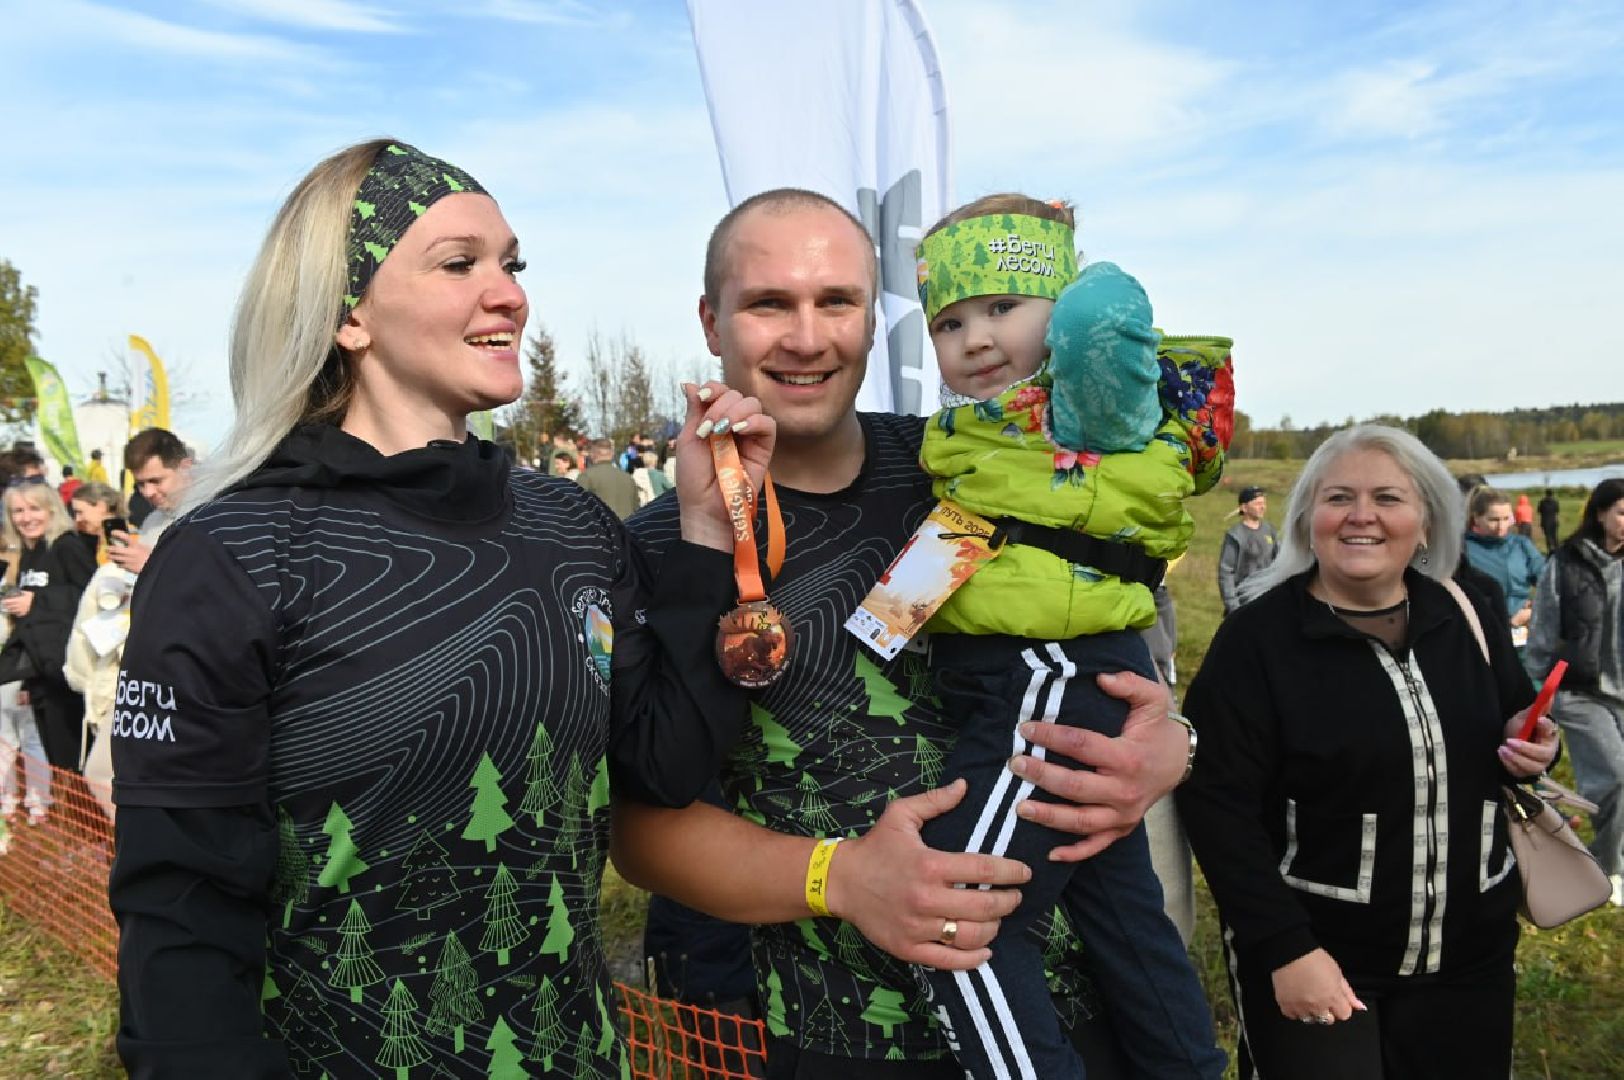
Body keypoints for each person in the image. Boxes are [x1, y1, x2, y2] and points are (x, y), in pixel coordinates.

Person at [106, 138, 773, 1077]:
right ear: (347, 315)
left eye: (512, 263)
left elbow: (662, 767)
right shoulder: (233, 553)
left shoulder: (571, 525)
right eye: (460, 264)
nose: (508, 293)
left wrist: (706, 529)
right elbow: (181, 908)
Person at [614, 187, 1196, 1079]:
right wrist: (837, 878)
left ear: (873, 320)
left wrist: (1172, 746)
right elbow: (639, 831)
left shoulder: (967, 467)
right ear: (711, 319)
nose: (807, 338)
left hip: (1075, 1022)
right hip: (827, 1040)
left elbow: (1114, 641)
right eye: (770, 303)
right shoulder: (661, 545)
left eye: (836, 302)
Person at [902, 194, 1226, 1079]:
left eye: (1005, 308)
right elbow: (973, 534)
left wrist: (1072, 275)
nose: (975, 340)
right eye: (950, 321)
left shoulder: (1089, 405)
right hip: (1037, 670)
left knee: (957, 917)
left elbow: (1105, 312)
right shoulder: (990, 433)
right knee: (1124, 920)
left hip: (1048, 677)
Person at [1177, 425, 1559, 1080]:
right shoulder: (1258, 641)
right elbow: (1216, 807)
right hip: (1322, 957)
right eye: (1338, 498)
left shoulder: (1466, 613)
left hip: (1471, 959)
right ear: (1307, 519)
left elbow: (1511, 725)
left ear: (1428, 519)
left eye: (1387, 497)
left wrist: (1535, 748)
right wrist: (1285, 948)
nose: (1361, 517)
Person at [1526, 478, 1624, 907]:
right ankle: (1608, 868)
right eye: (1622, 512)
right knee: (1616, 777)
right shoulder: (1565, 563)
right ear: (1600, 513)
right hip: (1582, 691)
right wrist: (1535, 690)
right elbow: (1543, 630)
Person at [0, 478, 95, 773]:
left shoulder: (67, 545)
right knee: (57, 762)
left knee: (76, 763)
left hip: (69, 674)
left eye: (34, 509)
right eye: (18, 511)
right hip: (41, 672)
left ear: (52, 510)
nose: (26, 518)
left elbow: (90, 595)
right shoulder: (30, 552)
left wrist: (38, 601)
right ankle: (64, 816)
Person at [1463, 486, 1545, 644]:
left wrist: (1532, 610)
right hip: (1481, 636)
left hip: (1523, 632)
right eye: (1493, 520)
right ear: (1476, 518)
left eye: (1506, 519)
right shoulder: (1462, 550)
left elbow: (1550, 583)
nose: (1501, 526)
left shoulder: (1521, 545)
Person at [1218, 485, 1277, 615]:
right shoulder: (1235, 535)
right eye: (1257, 504)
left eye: (1264, 503)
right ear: (1244, 508)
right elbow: (1226, 572)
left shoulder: (1269, 530)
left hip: (1268, 600)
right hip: (1244, 603)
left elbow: (1278, 562)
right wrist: (1233, 607)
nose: (1262, 507)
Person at [577, 435, 640, 518]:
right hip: (626, 527)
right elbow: (637, 508)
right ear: (612, 454)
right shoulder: (628, 478)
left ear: (592, 454)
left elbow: (578, 507)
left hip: (601, 528)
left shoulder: (587, 476)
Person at [69, 481, 126, 565]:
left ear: (102, 506)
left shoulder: (127, 540)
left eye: (80, 512)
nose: (77, 519)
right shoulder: (87, 542)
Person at [1537, 487, 1561, 553]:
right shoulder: (1555, 502)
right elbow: (1557, 511)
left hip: (1545, 521)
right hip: (1554, 521)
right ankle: (1557, 550)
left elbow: (1539, 511)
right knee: (1555, 536)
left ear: (1546, 494)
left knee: (1548, 537)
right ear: (1552, 494)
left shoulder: (1542, 502)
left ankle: (1550, 551)